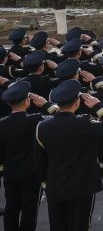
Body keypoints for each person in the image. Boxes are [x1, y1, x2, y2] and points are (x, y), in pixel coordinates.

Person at [35, 79, 103, 231]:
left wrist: (45, 184)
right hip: (82, 186)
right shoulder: (85, 125)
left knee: (57, 226)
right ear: (77, 103)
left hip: (55, 185)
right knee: (79, 226)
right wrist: (99, 106)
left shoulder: (42, 127)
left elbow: (40, 160)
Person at [0, 82, 57, 231]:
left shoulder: (2, 124)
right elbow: (60, 118)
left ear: (8, 103)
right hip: (31, 172)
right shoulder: (35, 120)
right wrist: (46, 105)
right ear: (27, 102)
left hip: (10, 172)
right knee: (29, 209)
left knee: (11, 207)